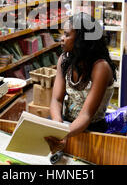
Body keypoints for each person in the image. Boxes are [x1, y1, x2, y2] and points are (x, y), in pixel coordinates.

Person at [45, 12, 116, 153]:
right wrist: (57, 126)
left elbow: (86, 115)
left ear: (81, 39)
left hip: (91, 128)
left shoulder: (101, 67)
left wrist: (63, 133)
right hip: (65, 123)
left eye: (66, 35)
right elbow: (56, 100)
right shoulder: (64, 60)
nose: (61, 38)